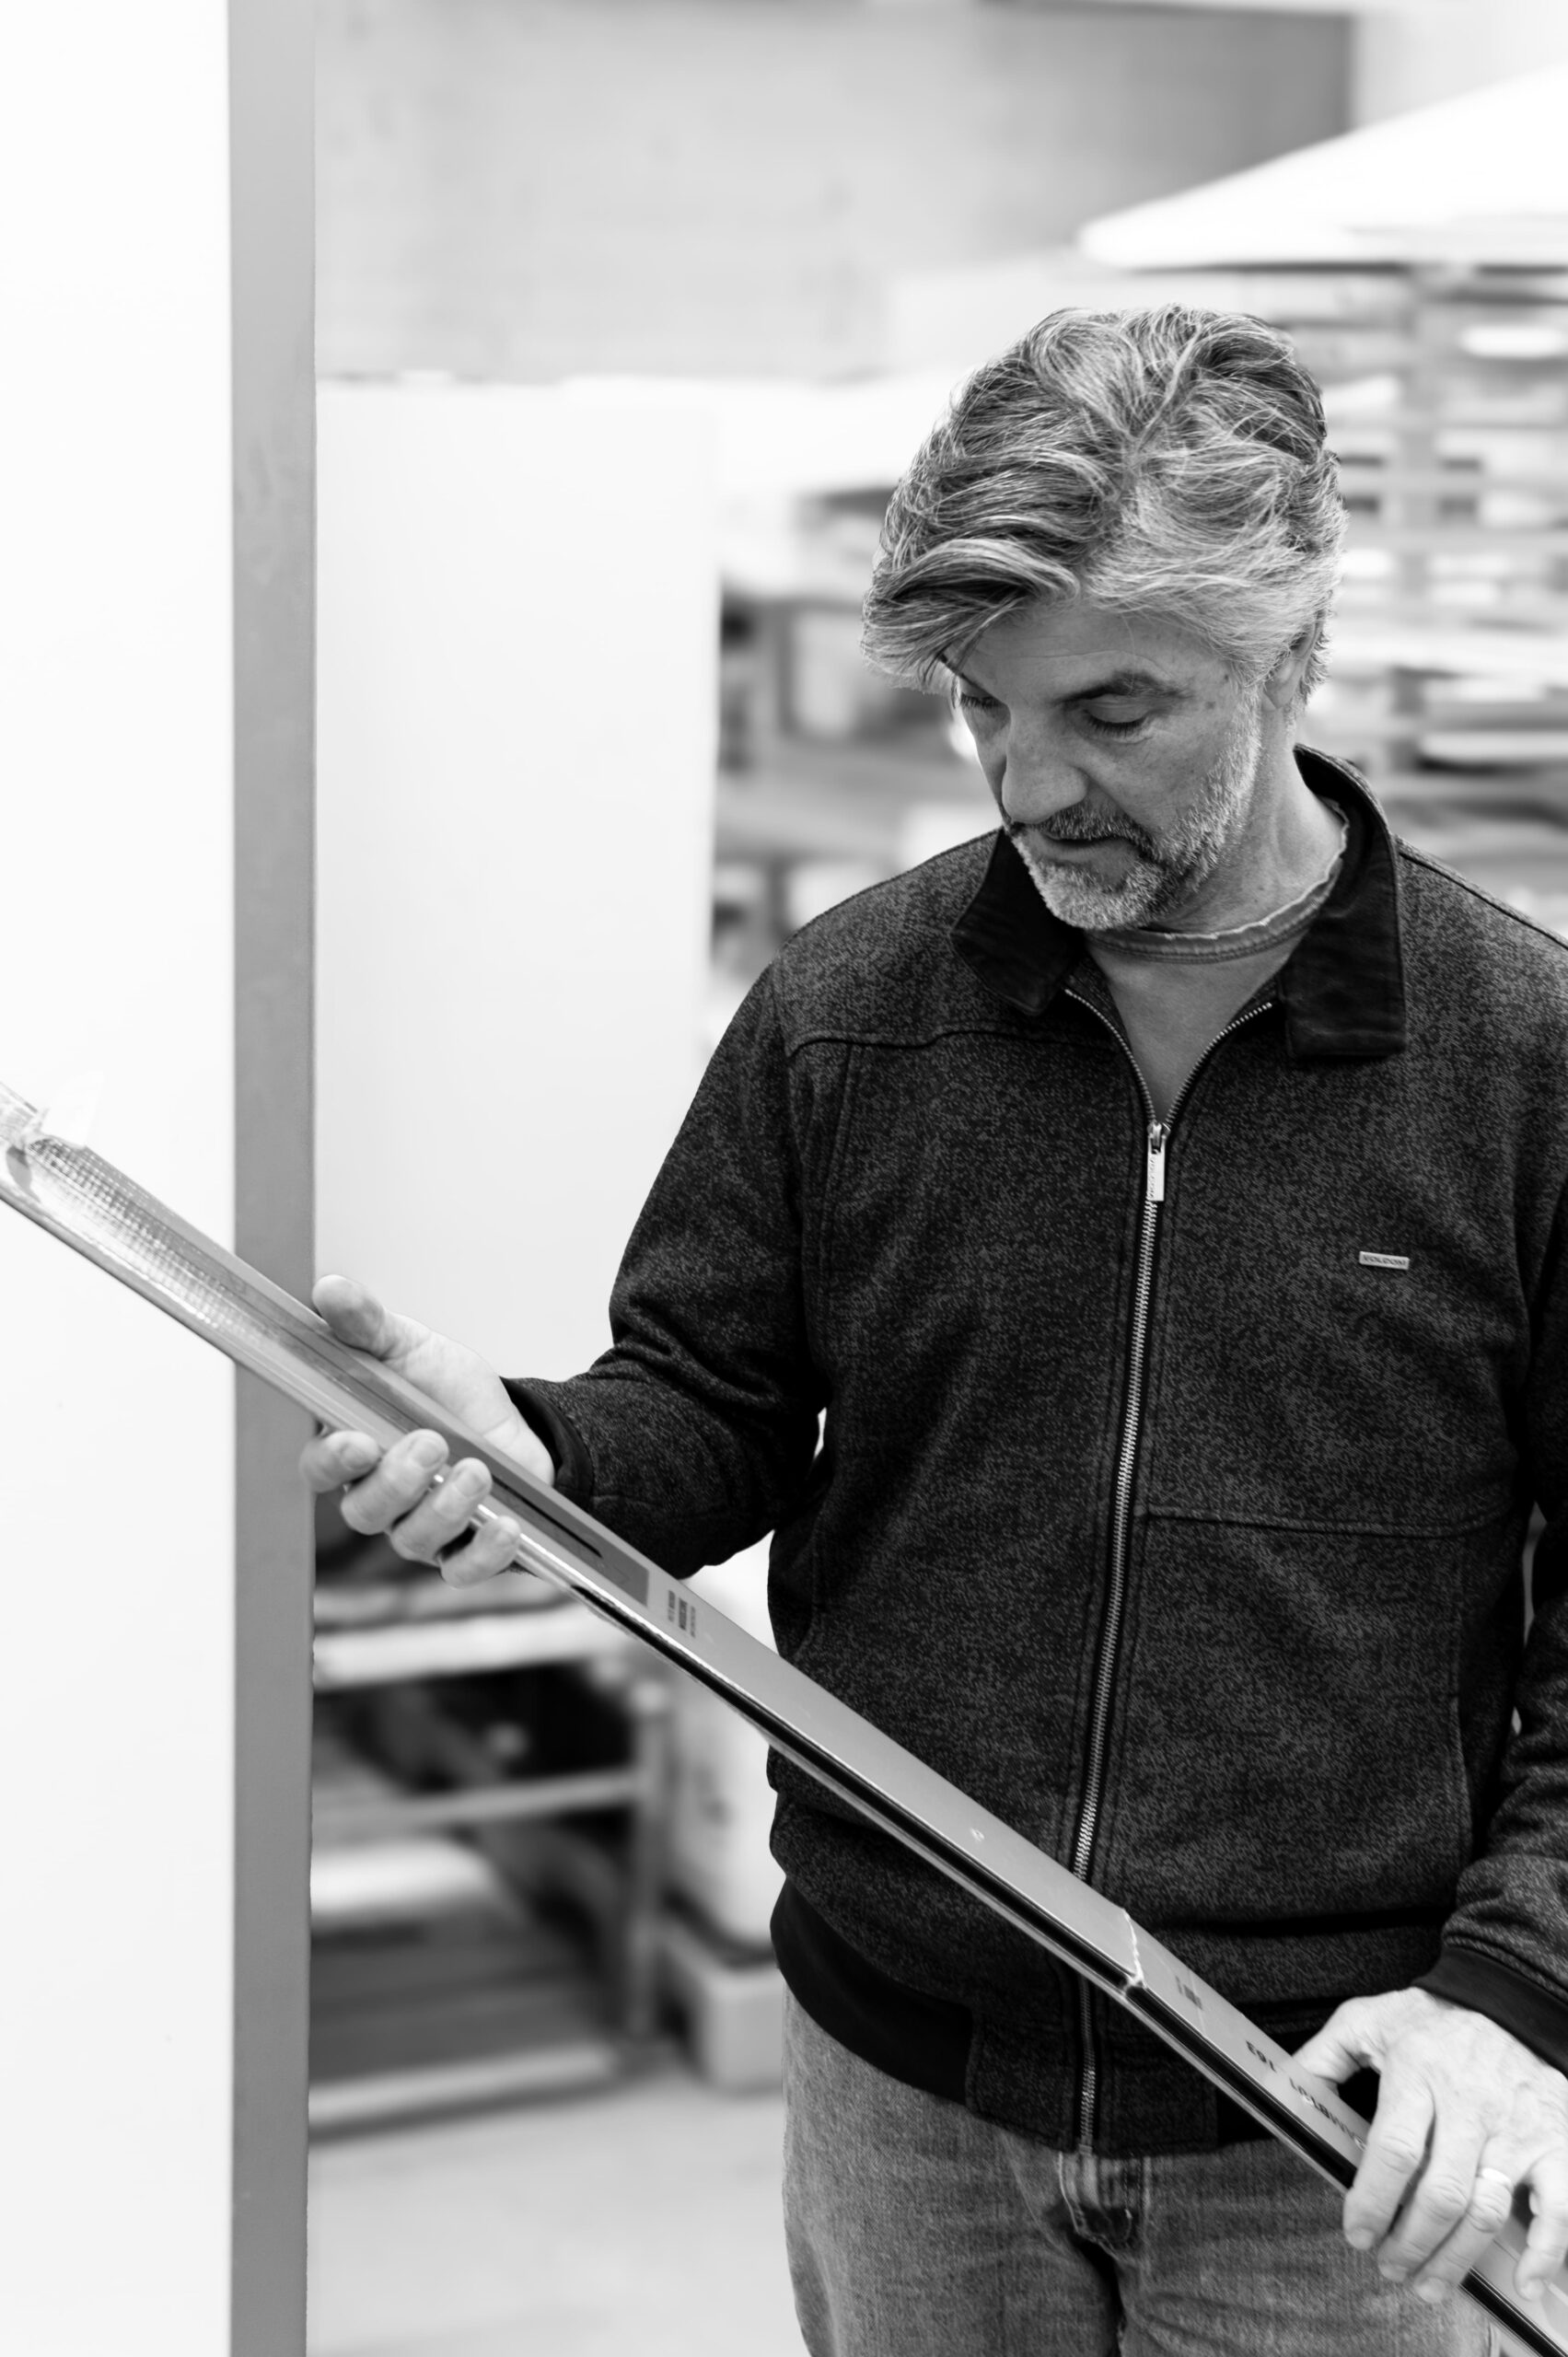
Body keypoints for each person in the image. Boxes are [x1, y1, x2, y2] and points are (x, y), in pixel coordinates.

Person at [302, 306, 1568, 2355]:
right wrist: (547, 1453)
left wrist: (1521, 1994)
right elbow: (710, 1403)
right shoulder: (850, 1015)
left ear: (1293, 644)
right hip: (903, 2089)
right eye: (986, 706)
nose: (1029, 782)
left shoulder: (1523, 1069)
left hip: (1326, 2128)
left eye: (1114, 709)